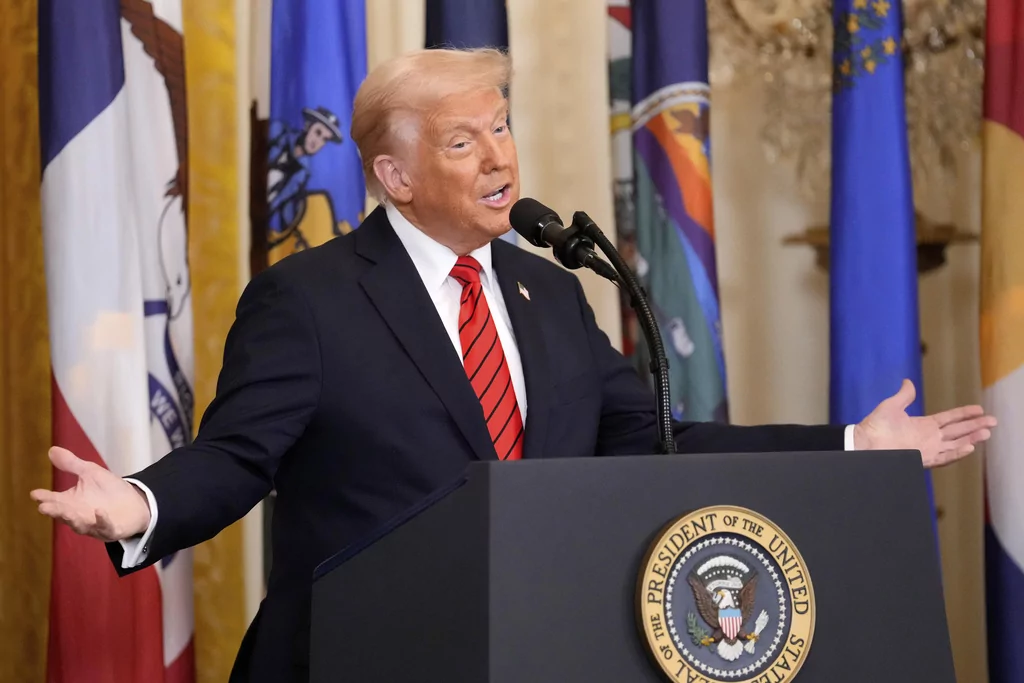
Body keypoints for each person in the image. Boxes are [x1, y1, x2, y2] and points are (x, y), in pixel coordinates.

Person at [31, 48, 996, 683]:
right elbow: (240, 455)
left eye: (501, 126)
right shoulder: (312, 298)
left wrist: (854, 442)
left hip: (535, 648)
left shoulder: (550, 291)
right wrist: (141, 504)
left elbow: (653, 441)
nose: (500, 156)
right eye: (464, 140)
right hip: (358, 658)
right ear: (396, 177)